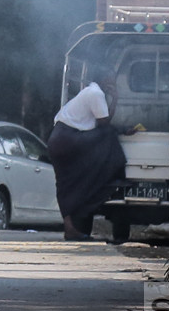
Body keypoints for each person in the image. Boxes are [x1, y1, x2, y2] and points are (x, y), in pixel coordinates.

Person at [48, 72, 127, 240]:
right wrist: (115, 99)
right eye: (112, 78)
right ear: (104, 79)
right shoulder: (96, 93)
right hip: (67, 139)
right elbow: (104, 123)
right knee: (109, 135)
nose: (113, 82)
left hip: (59, 138)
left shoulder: (89, 92)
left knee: (67, 183)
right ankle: (113, 172)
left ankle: (70, 228)